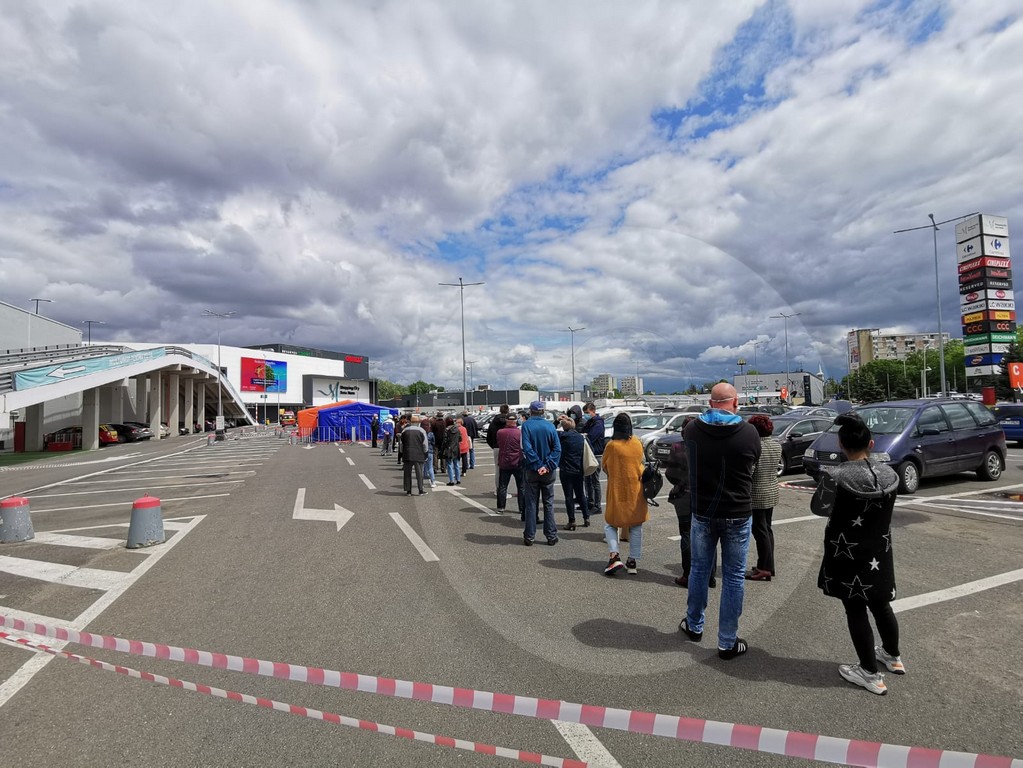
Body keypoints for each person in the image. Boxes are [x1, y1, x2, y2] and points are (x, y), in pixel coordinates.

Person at [812, 413, 904, 696]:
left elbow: (819, 508)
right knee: (881, 603)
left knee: (855, 607)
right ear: (872, 443)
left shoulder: (835, 476)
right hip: (879, 549)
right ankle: (892, 655)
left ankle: (868, 671)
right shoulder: (891, 473)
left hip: (847, 550)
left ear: (841, 445)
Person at [678, 383, 761, 660]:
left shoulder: (692, 430)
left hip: (703, 511)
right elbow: (754, 465)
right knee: (734, 576)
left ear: (711, 402)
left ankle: (694, 624)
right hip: (737, 512)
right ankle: (727, 641)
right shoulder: (749, 432)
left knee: (700, 570)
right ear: (735, 402)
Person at [664, 416, 716, 588]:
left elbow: (670, 473)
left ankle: (688, 574)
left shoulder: (678, 447)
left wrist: (681, 483)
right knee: (709, 535)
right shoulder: (709, 446)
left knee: (686, 533)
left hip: (684, 495)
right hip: (707, 496)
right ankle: (710, 576)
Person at [601, 413, 649, 575]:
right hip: (636, 490)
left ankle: (614, 556)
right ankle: (632, 561)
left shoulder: (612, 446)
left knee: (610, 523)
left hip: (617, 489)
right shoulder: (637, 443)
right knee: (636, 524)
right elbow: (642, 462)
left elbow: (605, 466)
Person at [519, 400, 561, 546]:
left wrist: (537, 465)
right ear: (543, 412)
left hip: (532, 469)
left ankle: (529, 536)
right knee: (548, 503)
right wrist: (547, 465)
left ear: (530, 412)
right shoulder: (550, 426)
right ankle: (551, 536)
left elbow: (527, 448)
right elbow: (557, 449)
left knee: (531, 503)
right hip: (548, 471)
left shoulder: (526, 426)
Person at [747, 414, 782, 582]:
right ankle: (768, 565)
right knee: (767, 529)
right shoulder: (776, 445)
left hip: (757, 493)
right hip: (771, 490)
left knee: (760, 531)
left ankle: (764, 568)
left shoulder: (755, 447)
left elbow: (750, 471)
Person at [557, 415, 589, 530]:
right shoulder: (581, 437)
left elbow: (552, 430)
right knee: (580, 493)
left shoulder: (562, 437)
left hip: (566, 469)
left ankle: (572, 520)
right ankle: (586, 517)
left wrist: (558, 421)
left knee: (568, 496)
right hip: (578, 469)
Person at [579, 402, 605, 515]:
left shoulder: (598, 423)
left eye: (587, 413)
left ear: (593, 411)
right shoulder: (590, 422)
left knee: (595, 481)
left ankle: (597, 505)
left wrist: (585, 435)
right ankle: (590, 502)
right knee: (588, 480)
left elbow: (591, 437)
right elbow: (581, 432)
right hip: (589, 453)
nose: (586, 415)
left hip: (596, 455)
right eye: (584, 413)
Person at [496, 413, 525, 517]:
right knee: (521, 486)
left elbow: (499, 443)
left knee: (503, 486)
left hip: (504, 461)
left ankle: (501, 507)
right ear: (515, 421)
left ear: (506, 421)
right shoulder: (520, 433)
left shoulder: (500, 432)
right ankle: (522, 508)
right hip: (517, 462)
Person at [400, 415, 429, 495]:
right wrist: (425, 453)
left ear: (410, 422)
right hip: (418, 454)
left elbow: (401, 444)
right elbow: (425, 445)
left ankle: (408, 491)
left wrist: (402, 452)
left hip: (407, 454)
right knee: (419, 473)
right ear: (418, 422)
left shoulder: (404, 430)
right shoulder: (421, 431)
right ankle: (420, 490)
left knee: (407, 473)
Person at [486, 404, 510, 495]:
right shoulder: (509, 422)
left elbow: (488, 437)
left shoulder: (493, 422)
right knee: (509, 470)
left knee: (498, 469)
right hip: (507, 447)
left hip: (496, 447)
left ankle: (498, 490)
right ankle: (505, 490)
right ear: (507, 411)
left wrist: (494, 445)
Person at [443, 417, 462, 485]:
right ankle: (458, 479)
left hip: (449, 448)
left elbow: (445, 440)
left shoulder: (447, 430)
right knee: (456, 464)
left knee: (449, 464)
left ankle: (451, 480)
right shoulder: (457, 429)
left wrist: (443, 448)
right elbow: (460, 439)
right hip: (456, 448)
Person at [421, 417, 437, 488]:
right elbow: (434, 442)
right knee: (430, 467)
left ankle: (421, 483)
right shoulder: (431, 433)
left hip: (421, 452)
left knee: (421, 467)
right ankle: (433, 481)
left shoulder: (420, 433)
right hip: (430, 451)